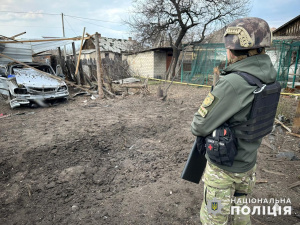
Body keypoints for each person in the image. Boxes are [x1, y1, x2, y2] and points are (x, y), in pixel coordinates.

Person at [191, 17, 278, 225]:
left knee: (215, 218)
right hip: (248, 163)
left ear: (231, 50)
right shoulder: (269, 77)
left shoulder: (233, 83)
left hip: (224, 169)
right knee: (241, 210)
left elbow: (199, 125)